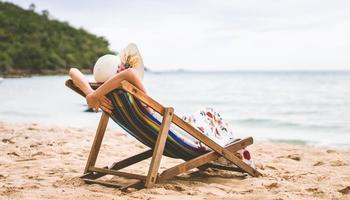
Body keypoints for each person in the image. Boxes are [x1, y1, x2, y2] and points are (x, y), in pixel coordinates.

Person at [68, 43, 254, 166]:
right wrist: (95, 95)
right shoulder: (131, 87)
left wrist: (91, 94)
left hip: (168, 132)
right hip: (184, 135)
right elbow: (130, 74)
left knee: (205, 114)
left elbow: (72, 72)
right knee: (209, 113)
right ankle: (232, 152)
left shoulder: (106, 95)